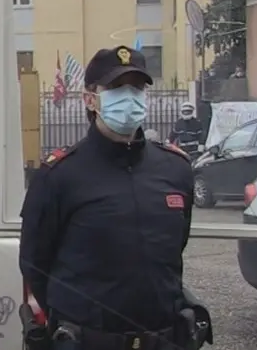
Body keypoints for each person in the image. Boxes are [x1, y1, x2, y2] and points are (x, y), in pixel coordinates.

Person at [19, 46, 207, 350]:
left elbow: (174, 247)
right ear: (90, 99)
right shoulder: (59, 176)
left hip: (163, 338)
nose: (130, 97)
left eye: (137, 88)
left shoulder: (176, 169)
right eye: (117, 88)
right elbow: (34, 263)